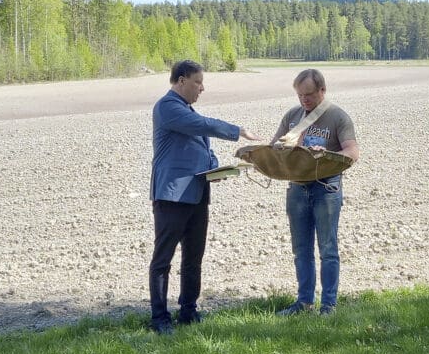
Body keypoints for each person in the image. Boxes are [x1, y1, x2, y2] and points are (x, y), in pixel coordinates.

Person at [149, 59, 260, 334]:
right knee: (163, 259)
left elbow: (202, 148)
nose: (202, 88)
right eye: (197, 82)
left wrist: (217, 168)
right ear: (181, 80)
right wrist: (238, 131)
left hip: (197, 194)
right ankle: (160, 319)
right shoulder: (168, 107)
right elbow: (201, 125)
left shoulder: (187, 110)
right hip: (172, 195)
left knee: (193, 257)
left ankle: (189, 311)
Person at [271, 68, 359, 316]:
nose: (304, 100)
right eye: (300, 95)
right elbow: (274, 145)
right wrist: (282, 148)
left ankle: (328, 305)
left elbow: (352, 152)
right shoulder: (292, 116)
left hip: (326, 189)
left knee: (328, 249)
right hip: (297, 188)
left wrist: (328, 155)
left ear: (322, 90)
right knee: (301, 250)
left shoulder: (338, 117)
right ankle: (304, 303)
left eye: (309, 94)